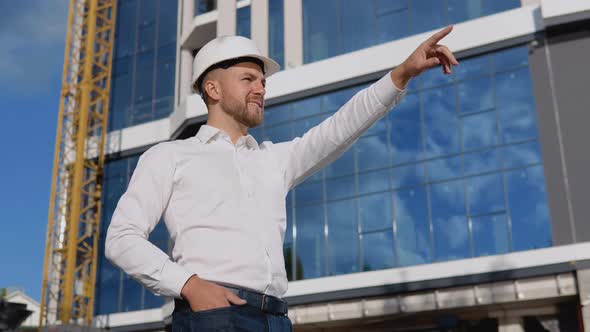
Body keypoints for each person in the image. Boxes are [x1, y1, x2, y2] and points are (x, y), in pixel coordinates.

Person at [105, 26, 459, 332]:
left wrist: (401, 74)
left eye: (261, 81)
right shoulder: (170, 156)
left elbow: (339, 129)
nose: (260, 88)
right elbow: (121, 239)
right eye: (248, 79)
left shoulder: (273, 159)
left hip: (276, 318)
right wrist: (191, 286)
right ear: (212, 89)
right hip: (213, 316)